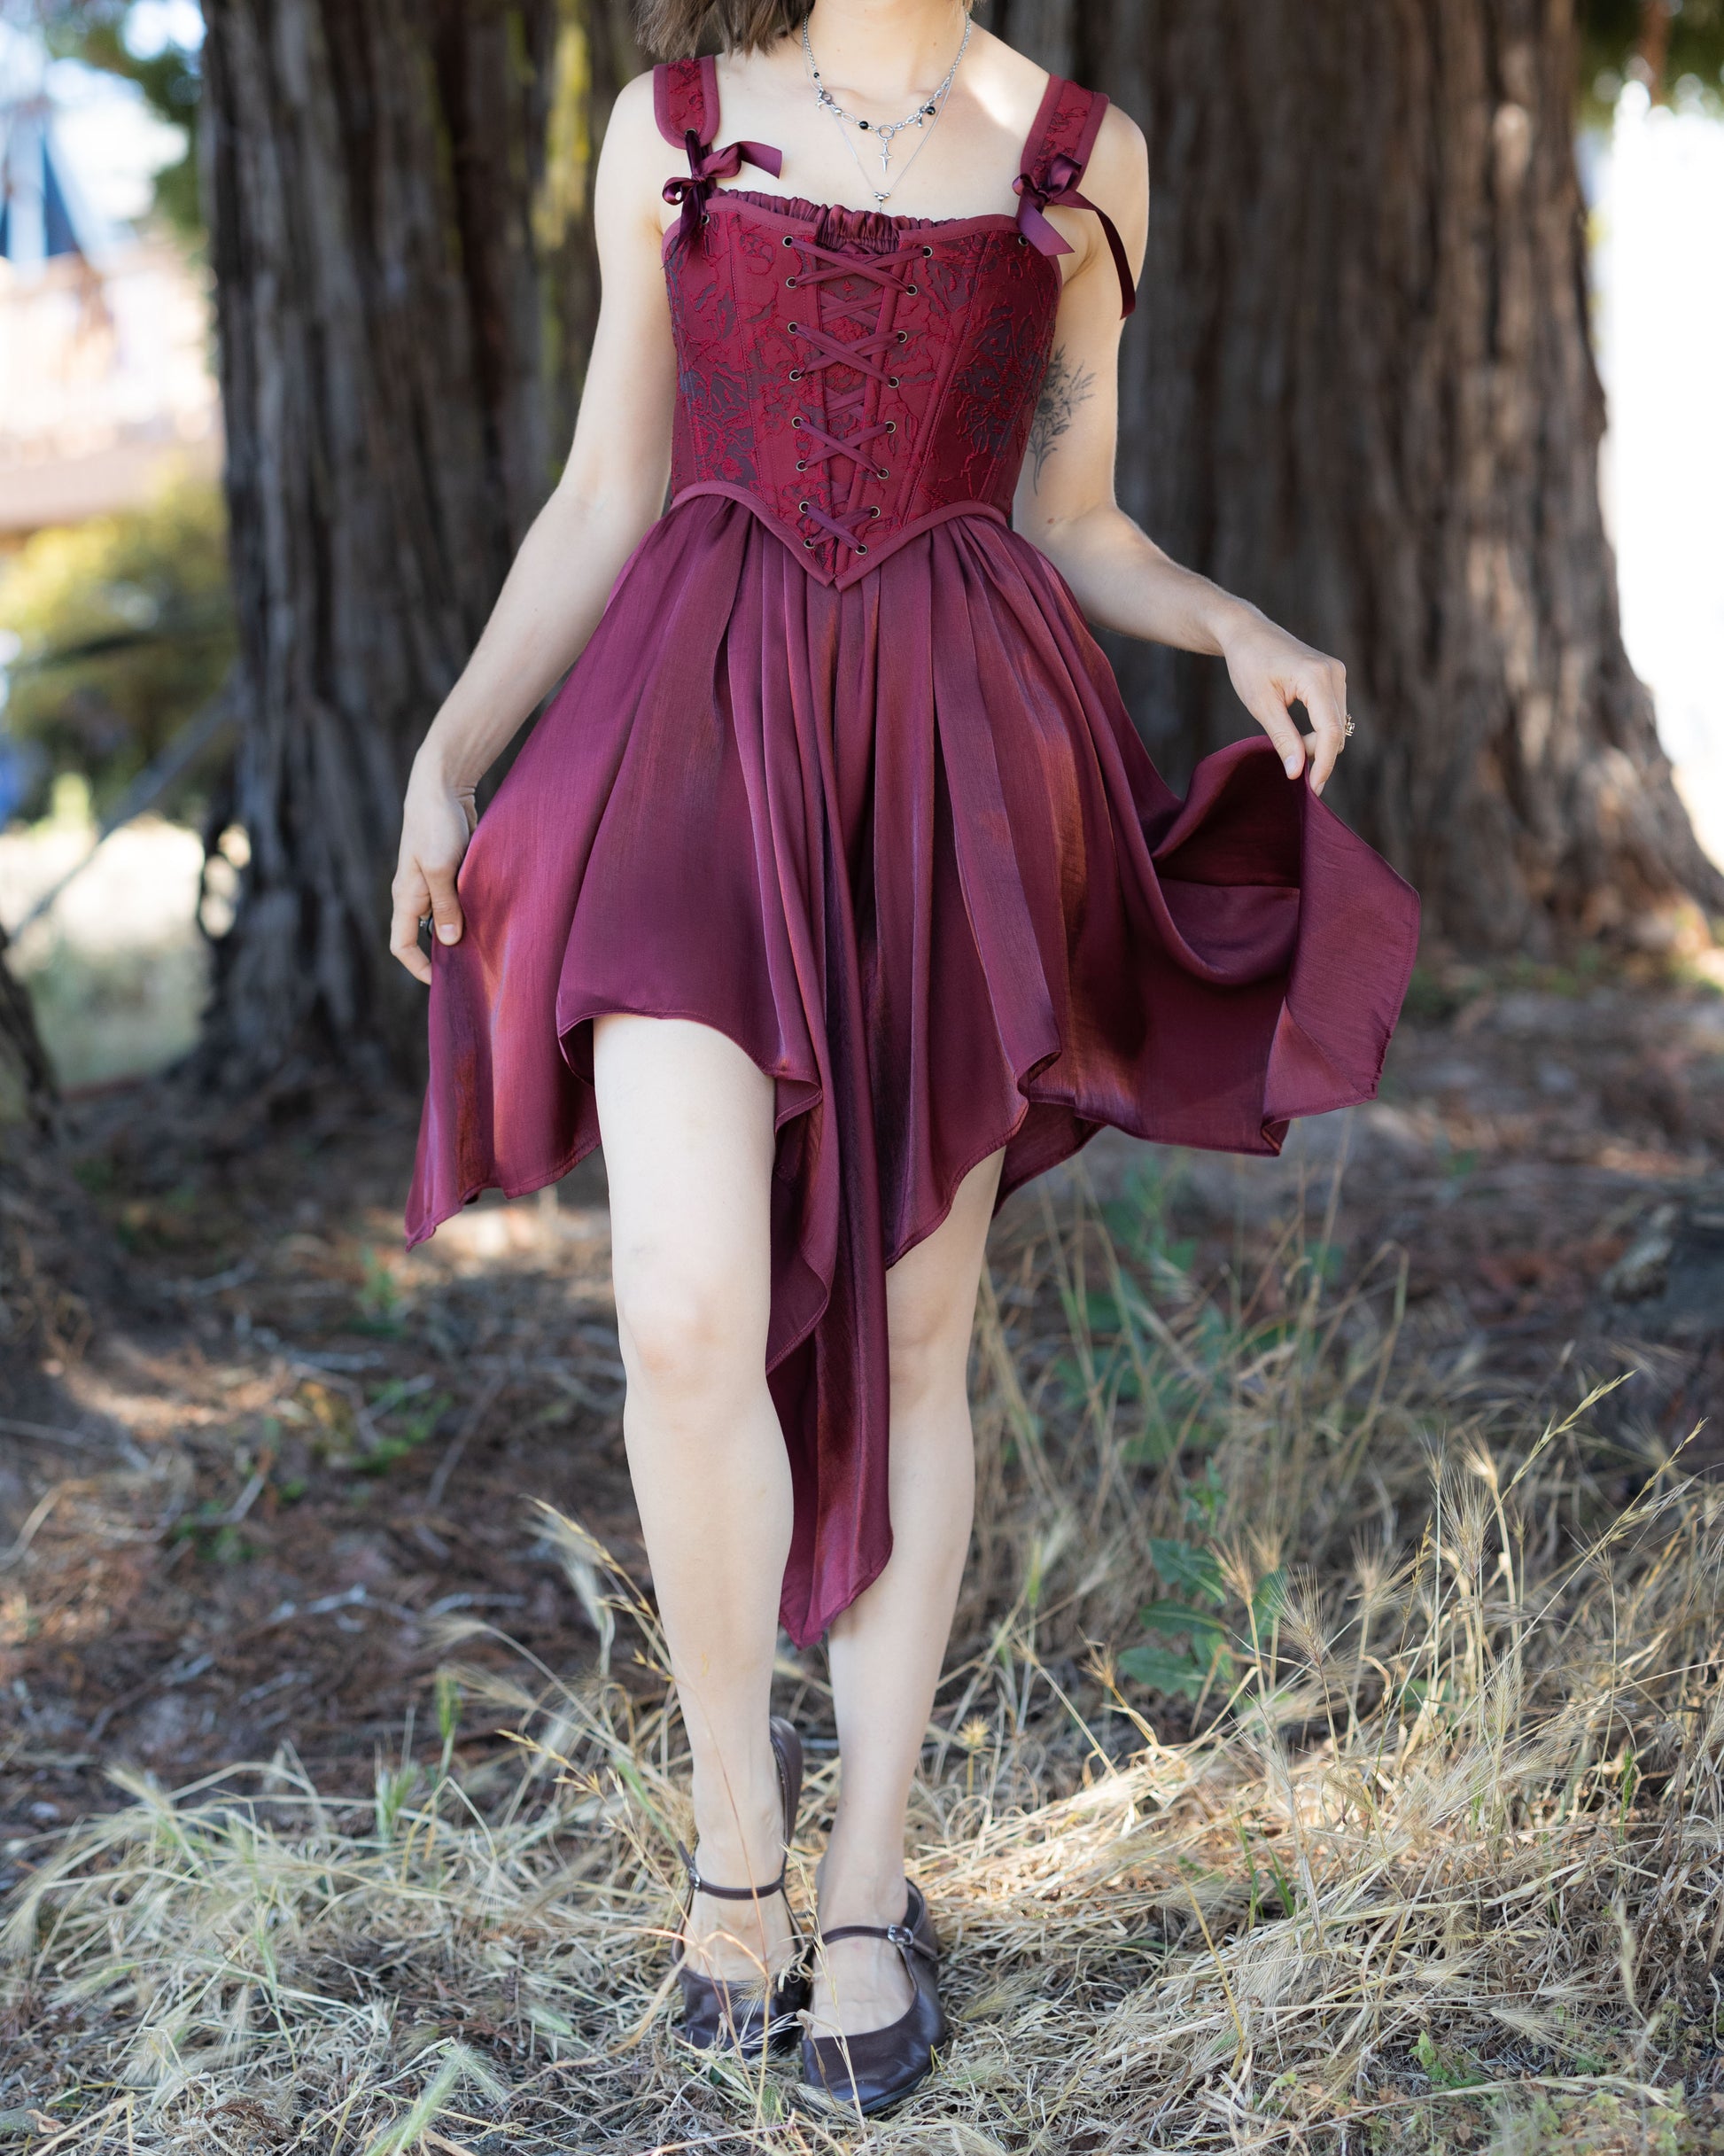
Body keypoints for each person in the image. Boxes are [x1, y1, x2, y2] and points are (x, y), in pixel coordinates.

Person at [390, 0, 1418, 2118]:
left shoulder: (1075, 153)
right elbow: (604, 486)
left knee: (917, 1323)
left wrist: (1229, 619)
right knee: (680, 1309)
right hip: (692, 731)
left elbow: (1073, 512)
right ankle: (730, 1847)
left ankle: (864, 1886)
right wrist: (449, 753)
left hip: (958, 757)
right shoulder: (669, 125)